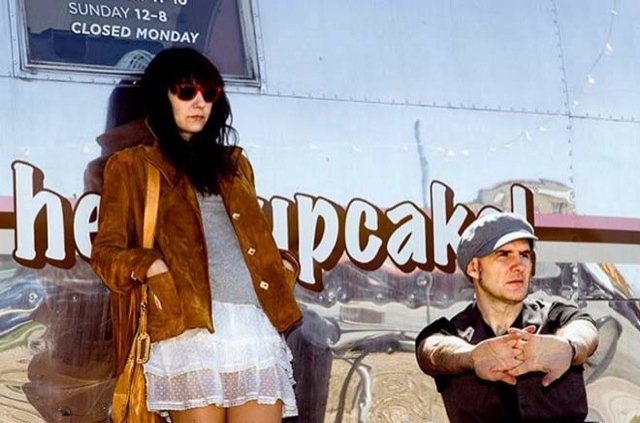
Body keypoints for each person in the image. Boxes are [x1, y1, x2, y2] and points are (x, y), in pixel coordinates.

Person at [91, 47, 302, 423]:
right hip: (187, 332)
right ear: (162, 96)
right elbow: (105, 253)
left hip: (253, 328)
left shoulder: (235, 164)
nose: (199, 102)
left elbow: (252, 239)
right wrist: (151, 266)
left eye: (209, 92)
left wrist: (283, 266)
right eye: (186, 92)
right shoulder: (131, 165)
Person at [415, 212, 599, 423]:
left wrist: (569, 348)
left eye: (524, 255)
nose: (519, 266)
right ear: (474, 268)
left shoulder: (555, 316)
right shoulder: (451, 332)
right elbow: (432, 351)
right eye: (503, 254)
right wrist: (471, 357)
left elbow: (584, 329)